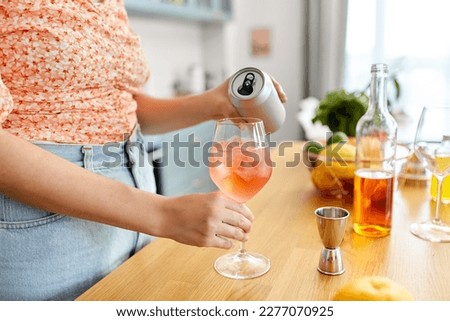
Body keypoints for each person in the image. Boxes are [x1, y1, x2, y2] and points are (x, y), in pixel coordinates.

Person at [0, 0, 287, 300]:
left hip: (134, 214)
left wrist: (216, 103)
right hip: (49, 229)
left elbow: (118, 105)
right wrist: (164, 213)